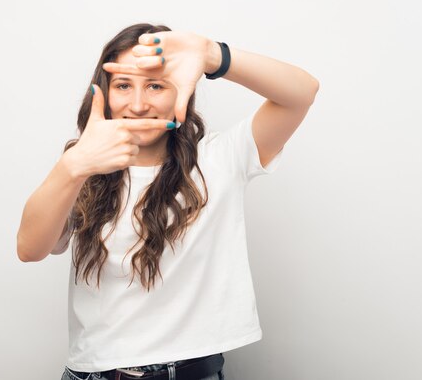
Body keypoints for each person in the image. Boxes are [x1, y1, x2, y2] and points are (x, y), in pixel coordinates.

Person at [16, 23, 319, 380]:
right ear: (103, 93)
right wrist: (72, 166)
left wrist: (211, 54)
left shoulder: (220, 159)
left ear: (182, 90)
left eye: (156, 85)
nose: (139, 104)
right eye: (124, 86)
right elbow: (29, 248)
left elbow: (302, 92)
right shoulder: (82, 166)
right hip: (93, 373)